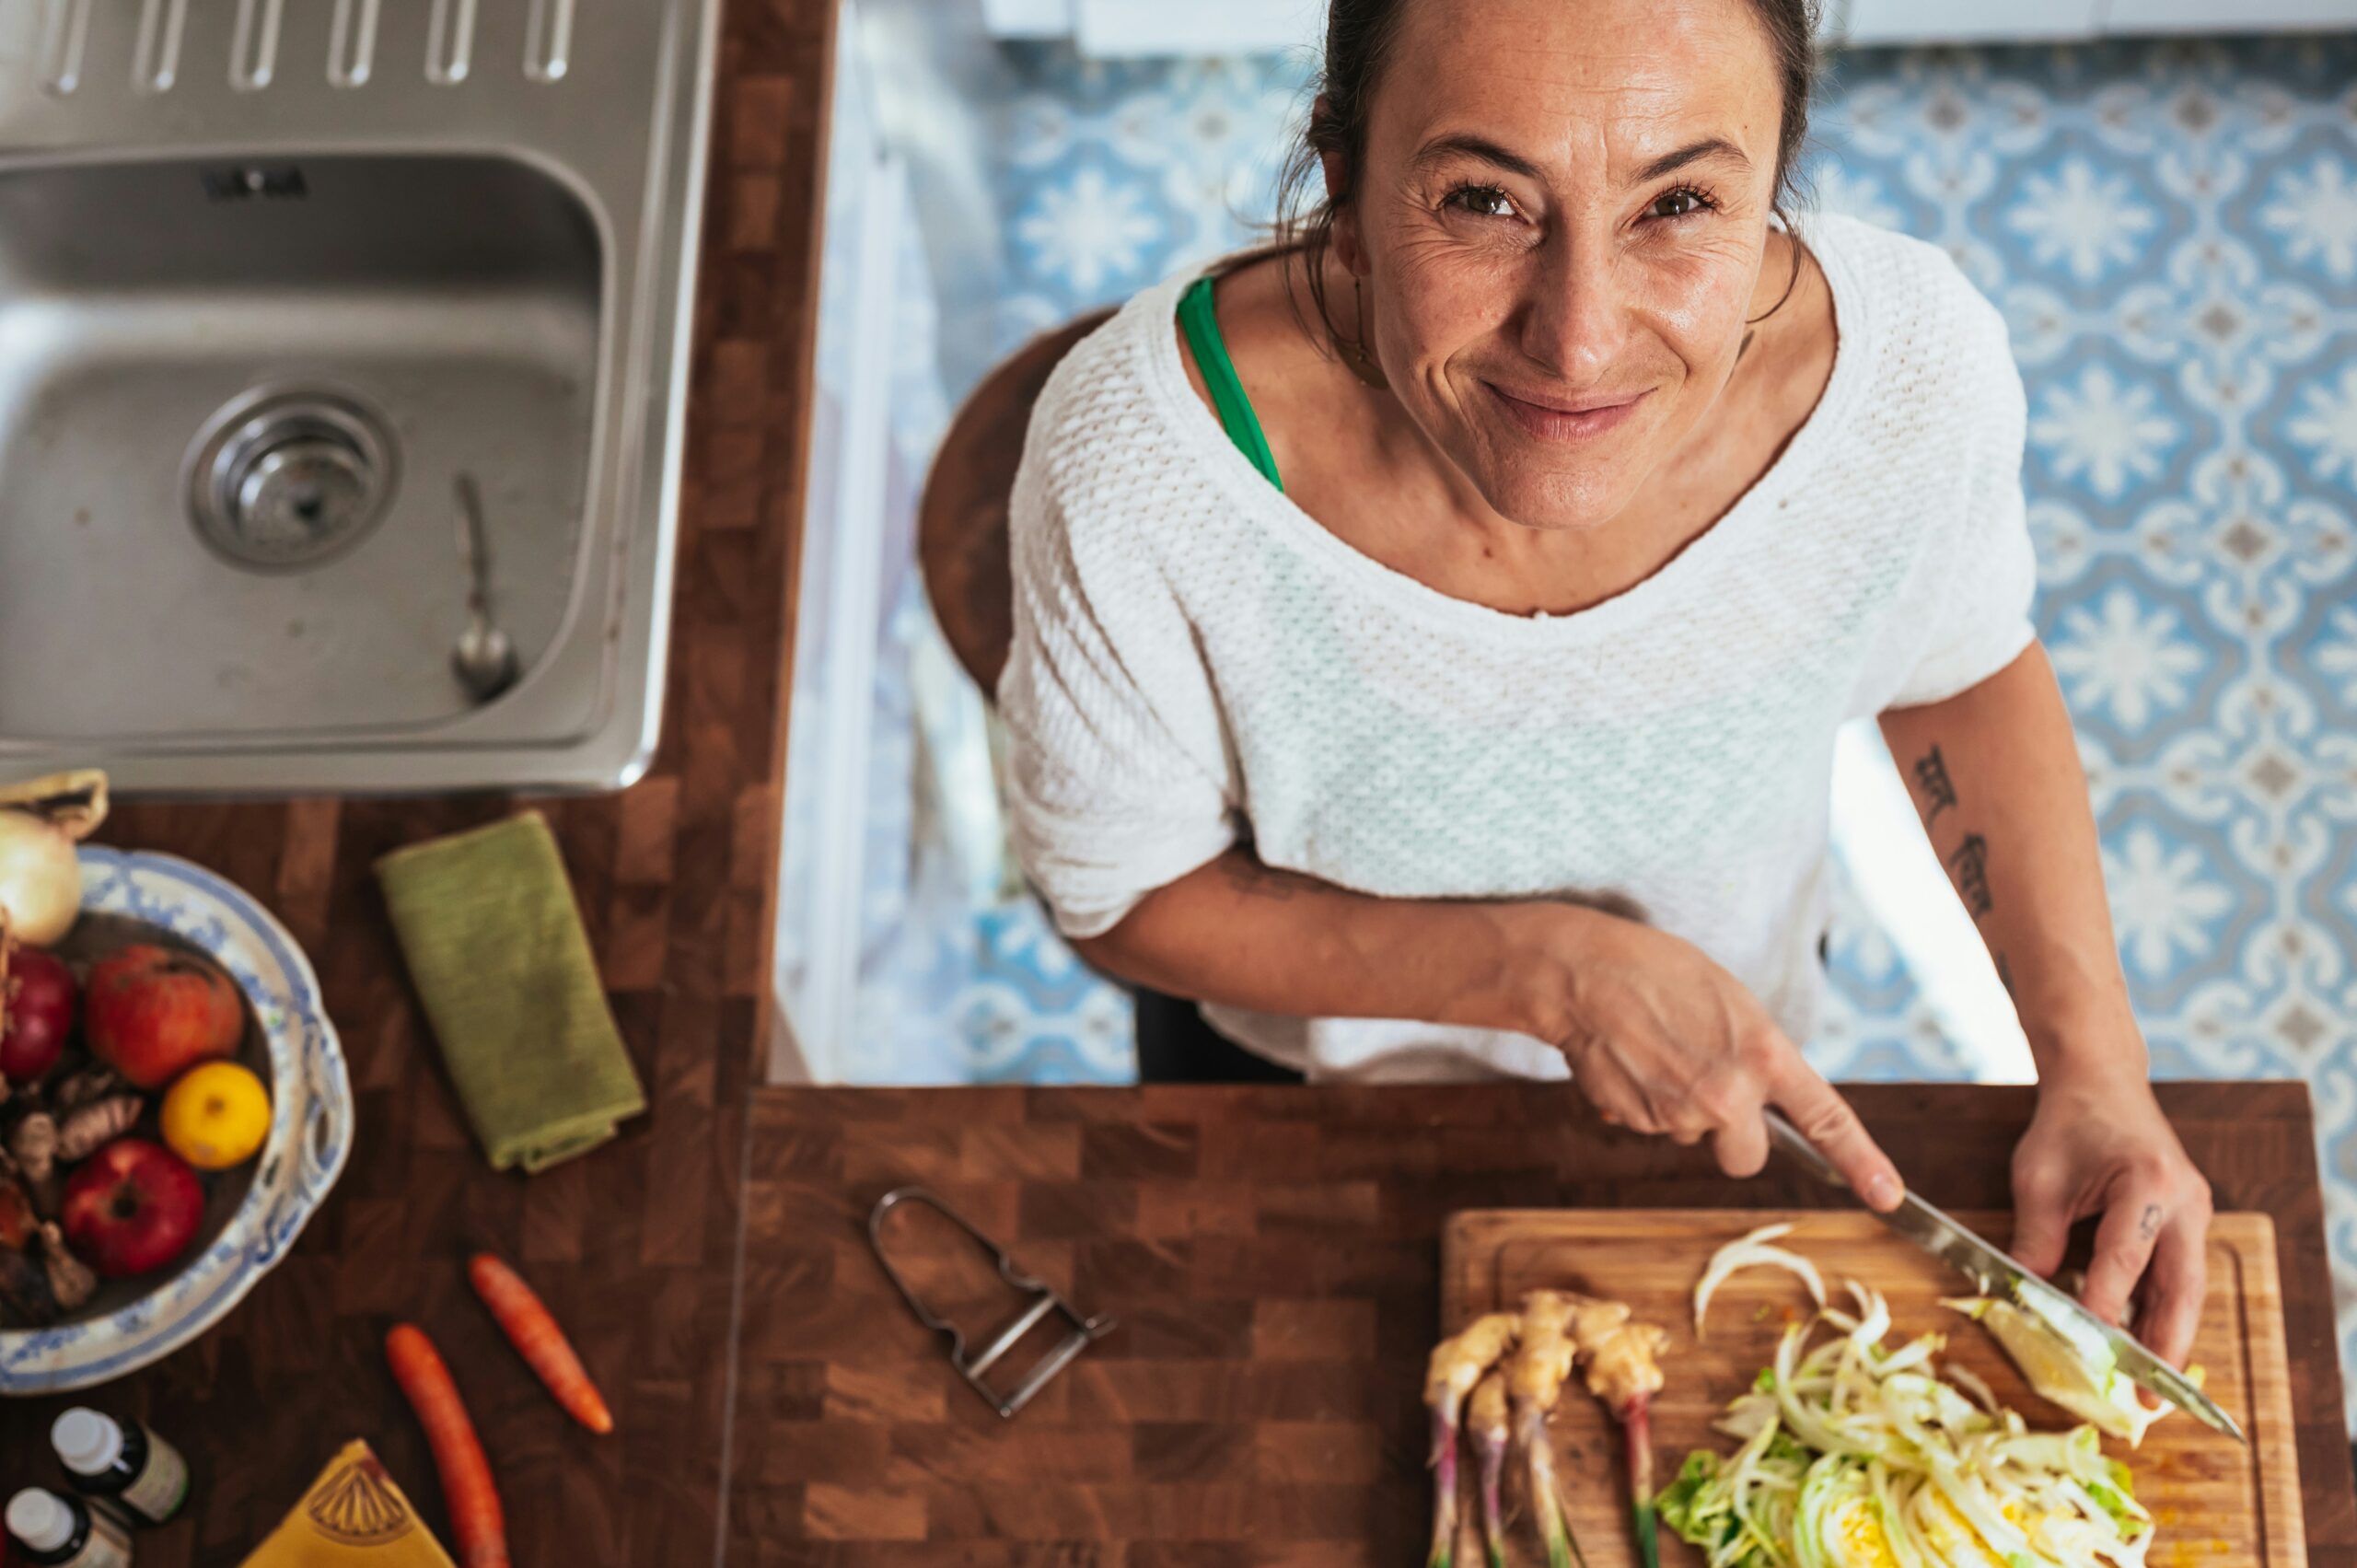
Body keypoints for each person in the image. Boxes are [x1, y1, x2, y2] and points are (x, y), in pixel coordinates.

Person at [996, 0, 2212, 1366]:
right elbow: (1121, 897)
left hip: (1723, 1074)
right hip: (1303, 1098)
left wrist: (2097, 1068)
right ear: (1341, 184)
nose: (1578, 342)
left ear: (1775, 184)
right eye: (1484, 200)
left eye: (1680, 201)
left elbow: (1960, 666)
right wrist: (1554, 975)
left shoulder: (1910, 379)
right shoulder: (1140, 469)